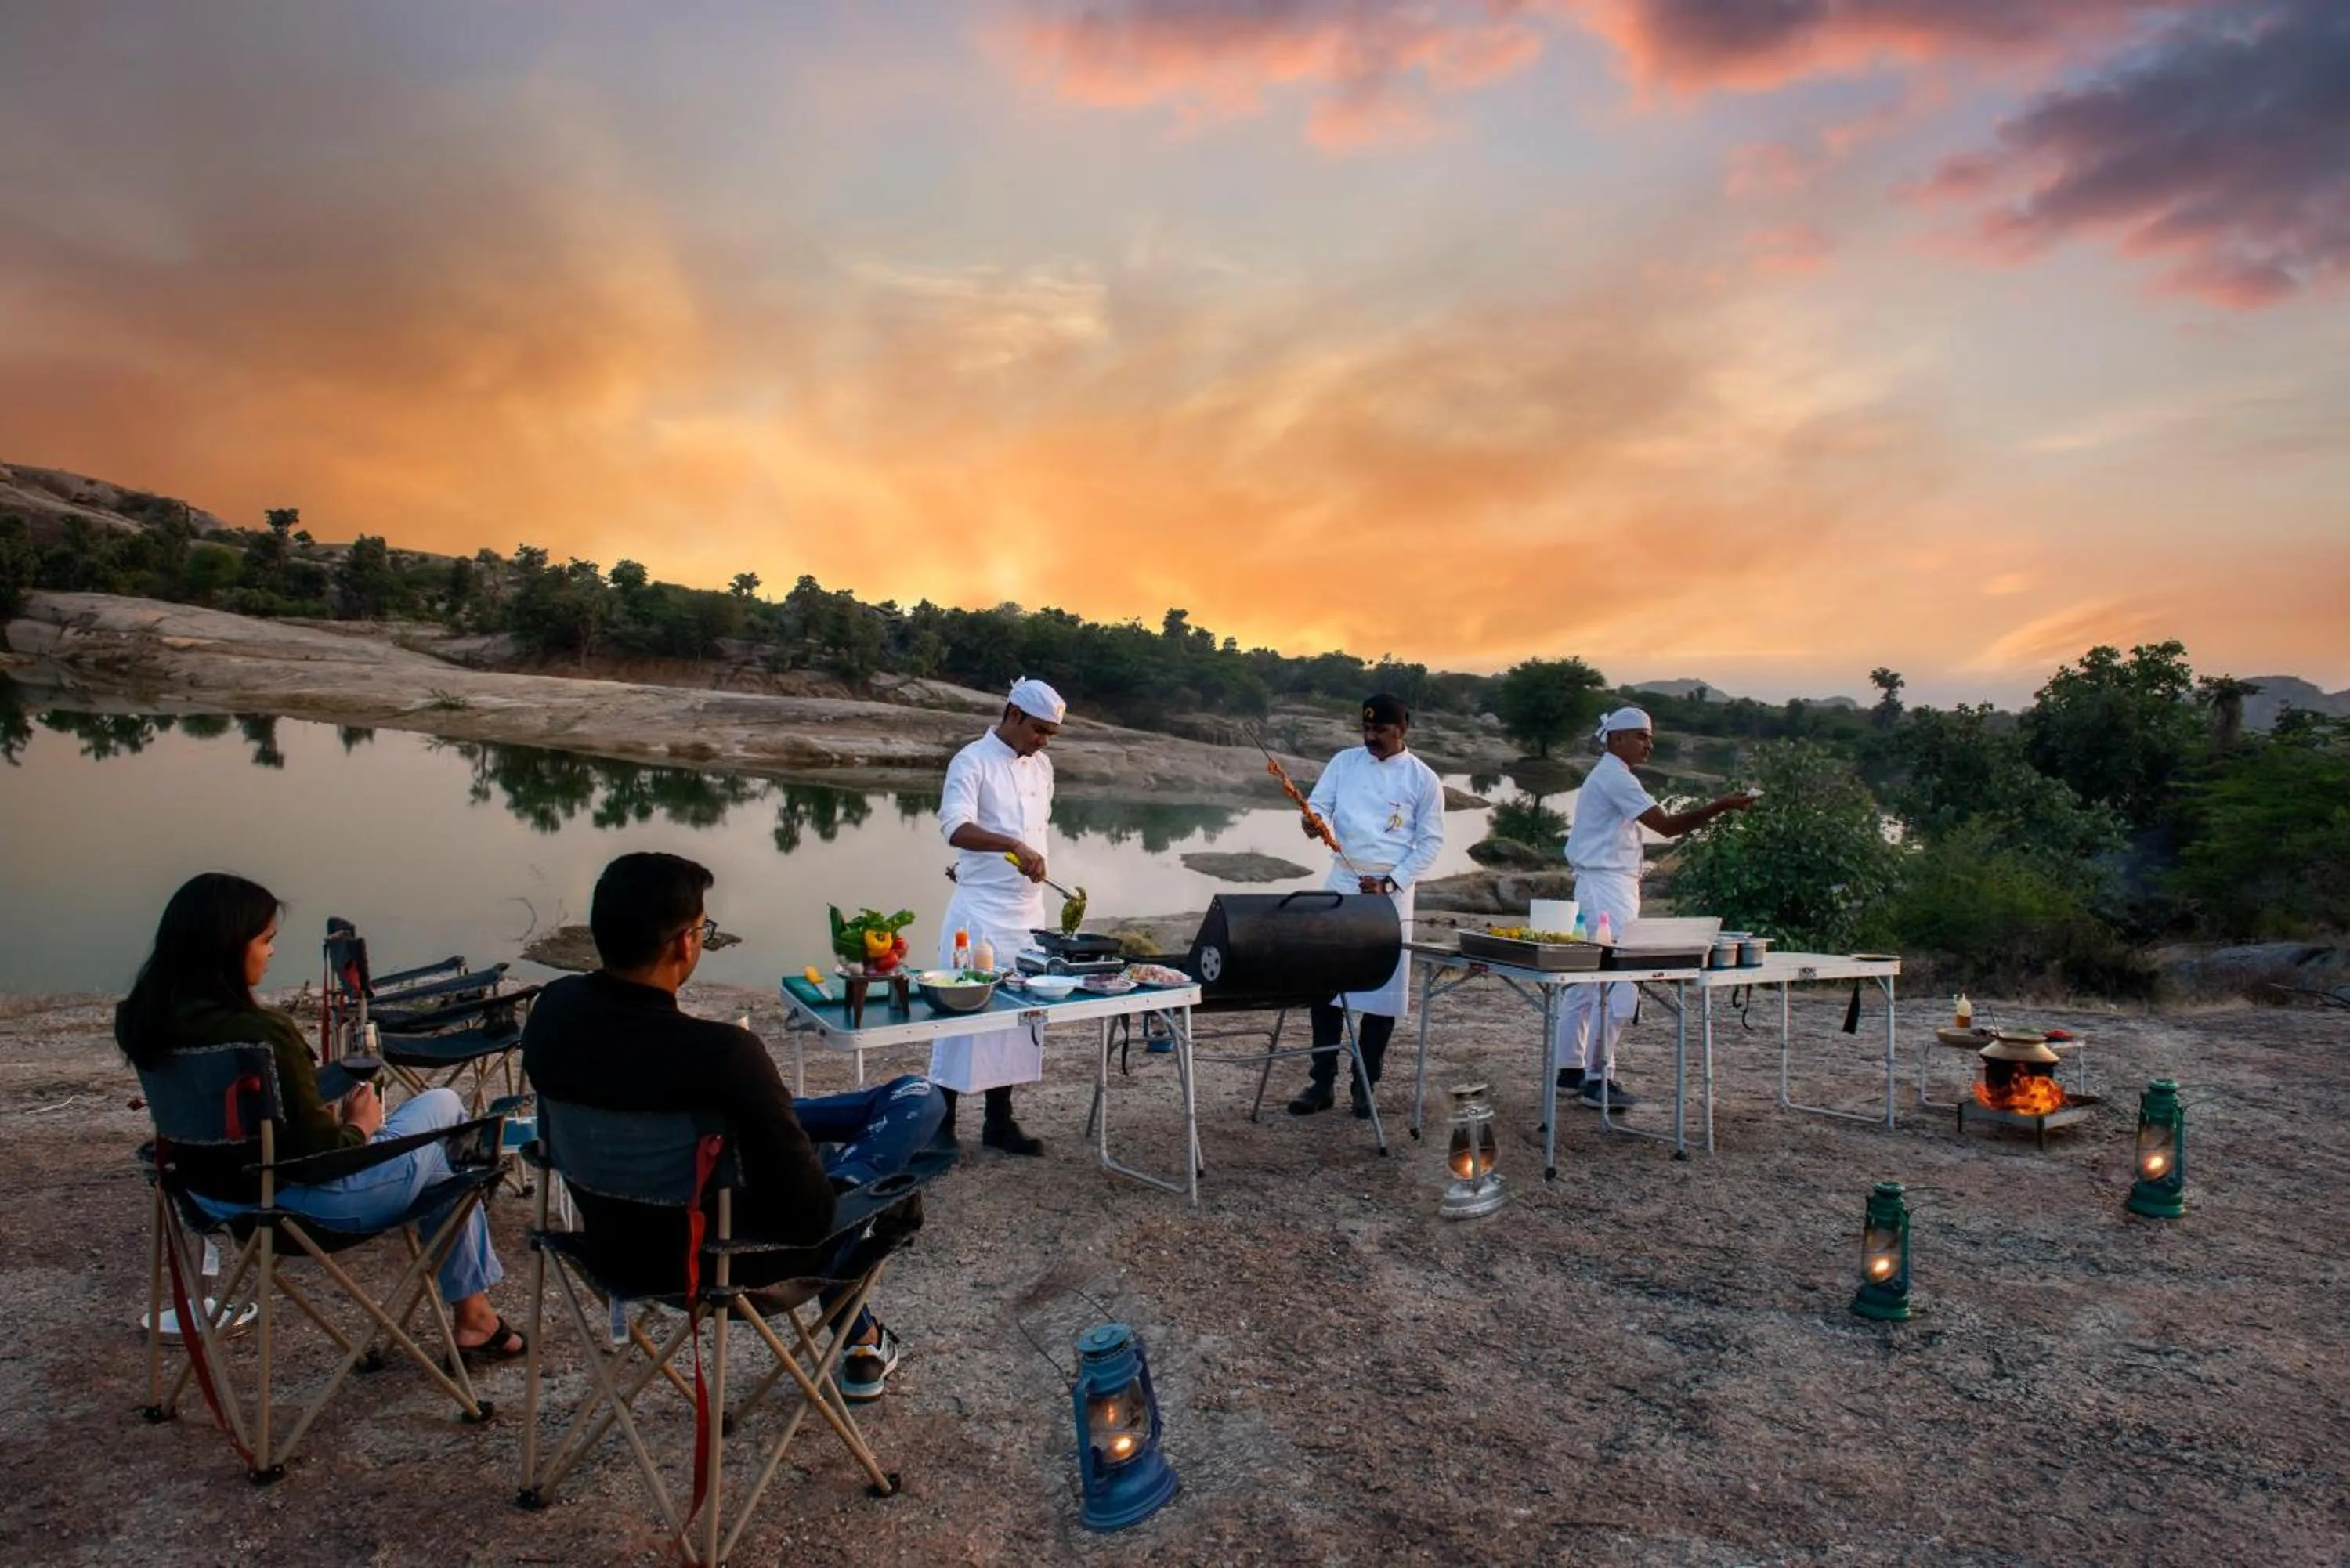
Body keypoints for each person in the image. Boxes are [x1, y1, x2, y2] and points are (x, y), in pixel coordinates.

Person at [520, 852, 945, 1402]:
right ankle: (848, 1184)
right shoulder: (724, 1056)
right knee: (919, 1099)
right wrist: (842, 1185)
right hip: (731, 1260)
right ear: (684, 944)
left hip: (613, 1249)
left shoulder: (552, 1013)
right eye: (702, 928)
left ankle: (859, 1327)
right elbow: (809, 1221)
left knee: (777, 1119)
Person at [116, 873, 525, 1360]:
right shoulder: (262, 1034)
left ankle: (476, 1317)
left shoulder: (142, 1021)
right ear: (226, 947)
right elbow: (322, 1155)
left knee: (443, 1150)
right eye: (264, 940)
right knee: (446, 1119)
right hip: (308, 1210)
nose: (270, 952)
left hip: (211, 1201)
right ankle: (475, 1316)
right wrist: (360, 1126)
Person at [1553, 706, 1758, 1108]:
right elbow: (1667, 826)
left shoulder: (1609, 776)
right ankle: (1598, 1078)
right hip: (1607, 889)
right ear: (1616, 739)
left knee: (1588, 980)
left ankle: (1571, 1070)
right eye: (1642, 736)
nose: (1650, 744)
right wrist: (1721, 806)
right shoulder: (1616, 777)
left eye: (1650, 736)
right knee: (1620, 979)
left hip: (1600, 886)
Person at [1285, 693, 1445, 1118]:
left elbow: (1430, 843)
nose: (1371, 737)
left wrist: (1391, 882)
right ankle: (1322, 1082)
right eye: (1366, 729)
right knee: (1326, 987)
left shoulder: (1424, 779)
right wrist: (1313, 821)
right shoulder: (1344, 762)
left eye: (1381, 730)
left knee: (1380, 994)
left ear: (1403, 728)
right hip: (1343, 880)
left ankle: (1365, 1085)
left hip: (1389, 892)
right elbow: (1319, 805)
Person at [931, 677, 1068, 1155]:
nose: (1043, 741)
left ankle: (999, 1122)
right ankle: (940, 1124)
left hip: (1027, 913)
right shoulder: (971, 760)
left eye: (1051, 733)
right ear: (1013, 714)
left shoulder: (1043, 767)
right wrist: (1009, 846)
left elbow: (1034, 828)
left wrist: (1024, 852)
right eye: (1038, 730)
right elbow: (955, 827)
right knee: (960, 1014)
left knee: (1018, 1016)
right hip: (980, 913)